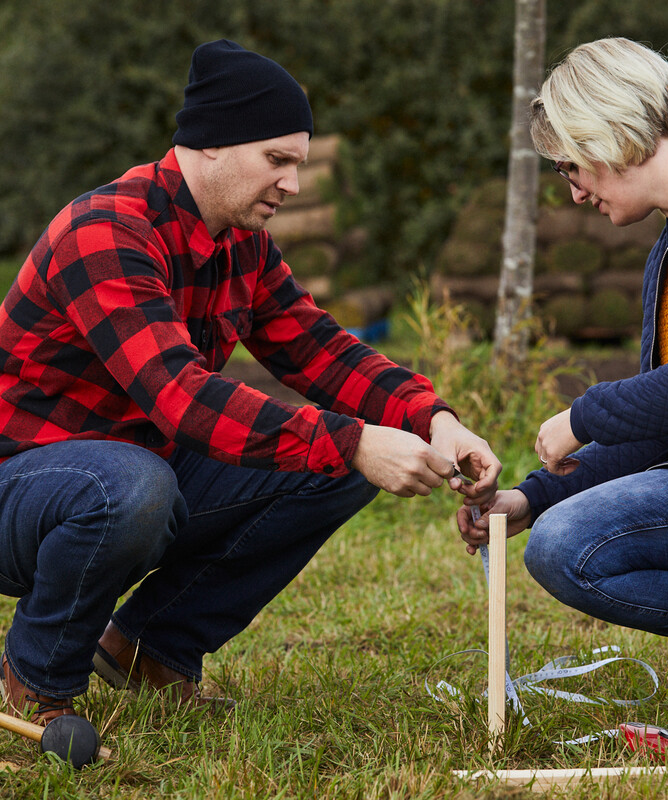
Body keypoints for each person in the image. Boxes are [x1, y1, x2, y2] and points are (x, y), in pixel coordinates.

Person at [0, 39, 501, 727]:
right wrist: (354, 440)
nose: (292, 184)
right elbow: (182, 398)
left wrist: (431, 418)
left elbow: (322, 352)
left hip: (139, 467)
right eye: (276, 160)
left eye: (297, 163)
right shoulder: (104, 234)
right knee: (134, 484)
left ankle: (150, 648)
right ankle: (39, 676)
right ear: (211, 143)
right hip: (26, 486)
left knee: (333, 463)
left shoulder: (241, 245)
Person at [458, 37, 668, 749]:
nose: (574, 190)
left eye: (570, 165)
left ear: (609, 132)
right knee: (563, 545)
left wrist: (585, 415)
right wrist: (530, 498)